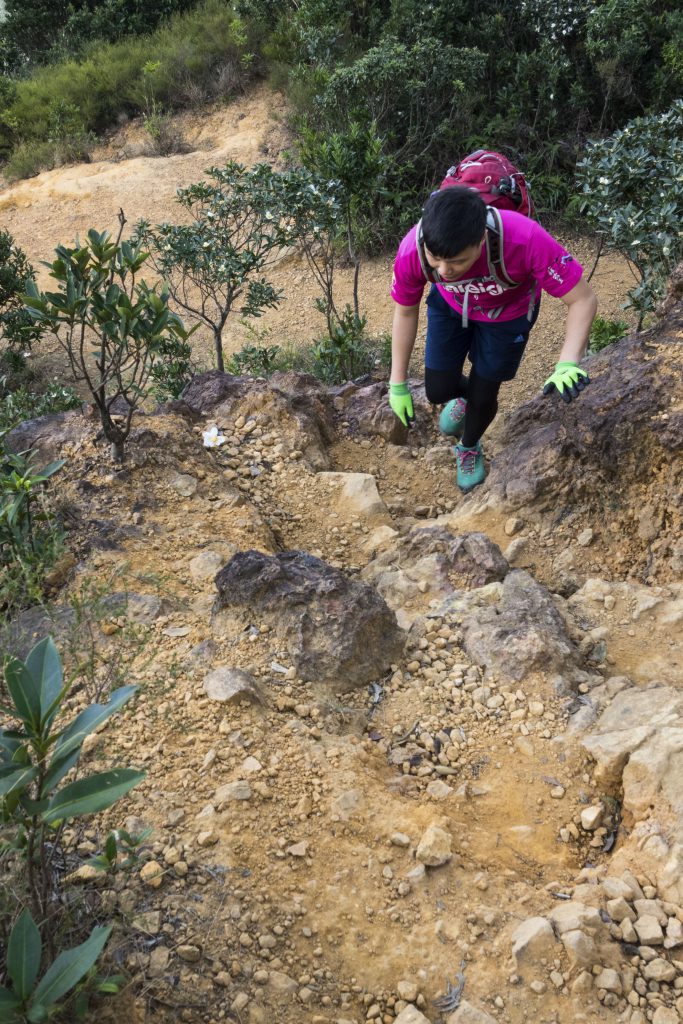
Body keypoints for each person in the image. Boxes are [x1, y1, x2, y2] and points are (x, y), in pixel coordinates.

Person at [388, 186, 598, 492]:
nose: (444, 271)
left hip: (508, 314)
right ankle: (465, 398)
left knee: (484, 396)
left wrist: (568, 362)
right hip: (451, 307)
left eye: (458, 262)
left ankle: (469, 446)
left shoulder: (523, 238)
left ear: (481, 240)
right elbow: (405, 312)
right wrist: (397, 384)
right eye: (436, 260)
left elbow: (583, 298)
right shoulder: (414, 249)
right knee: (437, 390)